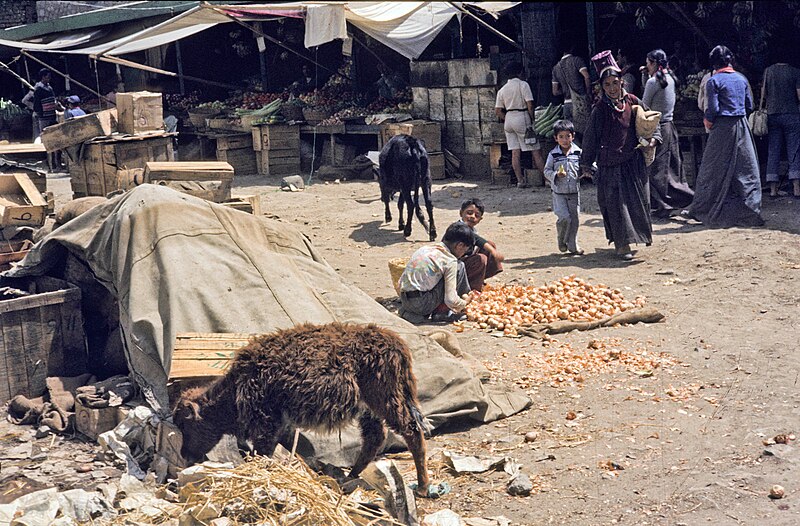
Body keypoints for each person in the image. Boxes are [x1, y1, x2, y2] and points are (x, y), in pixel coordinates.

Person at [579, 50, 661, 261]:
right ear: (601, 87)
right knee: (615, 205)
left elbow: (652, 121)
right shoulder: (600, 110)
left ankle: (638, 237)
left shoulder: (633, 101)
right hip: (610, 166)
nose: (612, 89)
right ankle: (621, 244)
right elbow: (590, 139)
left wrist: (653, 140)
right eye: (607, 85)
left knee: (637, 202)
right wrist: (586, 164)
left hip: (632, 164)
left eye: (615, 83)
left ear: (622, 82)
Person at [687, 45, 764, 227]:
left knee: (712, 170)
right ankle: (750, 211)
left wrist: (709, 121)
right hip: (742, 126)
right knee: (746, 169)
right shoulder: (741, 78)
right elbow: (749, 105)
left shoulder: (713, 81)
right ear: (730, 60)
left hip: (722, 128)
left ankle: (703, 209)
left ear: (714, 63)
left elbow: (712, 109)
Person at [641, 49, 694, 218]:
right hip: (669, 126)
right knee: (672, 167)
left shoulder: (653, 81)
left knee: (656, 169)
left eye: (648, 63)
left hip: (657, 128)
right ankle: (676, 200)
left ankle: (664, 204)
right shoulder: (669, 78)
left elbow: (644, 105)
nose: (647, 66)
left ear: (654, 63)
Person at [397, 222, 474, 324]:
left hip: (405, 299)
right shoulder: (449, 260)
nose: (463, 254)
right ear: (459, 245)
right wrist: (464, 303)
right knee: (460, 266)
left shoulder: (425, 249)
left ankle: (411, 313)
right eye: (465, 250)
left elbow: (400, 282)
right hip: (422, 304)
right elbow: (450, 299)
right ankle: (442, 313)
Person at [495, 61, 545, 188]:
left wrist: (507, 118)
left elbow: (498, 111)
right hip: (522, 117)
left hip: (509, 119)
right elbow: (530, 104)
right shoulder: (523, 85)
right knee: (535, 150)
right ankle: (548, 179)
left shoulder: (502, 89)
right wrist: (532, 119)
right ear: (520, 72)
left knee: (515, 152)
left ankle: (520, 181)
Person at [760, 54, 800, 199]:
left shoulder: (768, 71)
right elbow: (799, 95)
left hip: (772, 114)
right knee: (794, 150)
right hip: (792, 114)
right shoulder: (795, 72)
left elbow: (763, 94)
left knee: (773, 150)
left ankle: (772, 190)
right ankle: (796, 188)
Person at [544, 119, 585, 255]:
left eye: (568, 136)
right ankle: (562, 240)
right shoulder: (553, 155)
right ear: (556, 138)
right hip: (559, 193)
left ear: (572, 136)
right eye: (561, 137)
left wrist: (587, 172)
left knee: (574, 220)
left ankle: (573, 245)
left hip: (574, 191)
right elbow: (546, 171)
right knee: (564, 218)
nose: (565, 140)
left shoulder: (578, 153)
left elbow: (586, 166)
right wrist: (556, 175)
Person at [458, 198, 504, 291]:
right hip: (455, 267)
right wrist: (493, 252)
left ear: (480, 219)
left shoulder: (472, 229)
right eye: (469, 213)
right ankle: (473, 289)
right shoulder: (458, 227)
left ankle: (480, 279)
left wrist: (491, 249)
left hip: (464, 263)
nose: (472, 217)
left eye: (477, 215)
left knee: (490, 244)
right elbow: (477, 240)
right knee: (481, 258)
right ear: (461, 213)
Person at [552, 44, 592, 134]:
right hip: (580, 104)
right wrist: (588, 93)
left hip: (566, 105)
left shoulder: (556, 68)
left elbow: (555, 92)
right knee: (586, 133)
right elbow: (587, 76)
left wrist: (565, 90)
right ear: (572, 47)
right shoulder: (577, 61)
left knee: (571, 135)